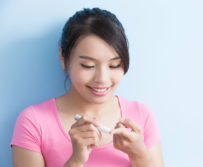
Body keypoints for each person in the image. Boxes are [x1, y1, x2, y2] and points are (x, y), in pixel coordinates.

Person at [11, 7, 164, 167]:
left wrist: (139, 155)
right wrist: (76, 161)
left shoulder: (142, 116)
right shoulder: (33, 122)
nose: (102, 79)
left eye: (114, 65)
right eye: (88, 65)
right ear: (63, 58)